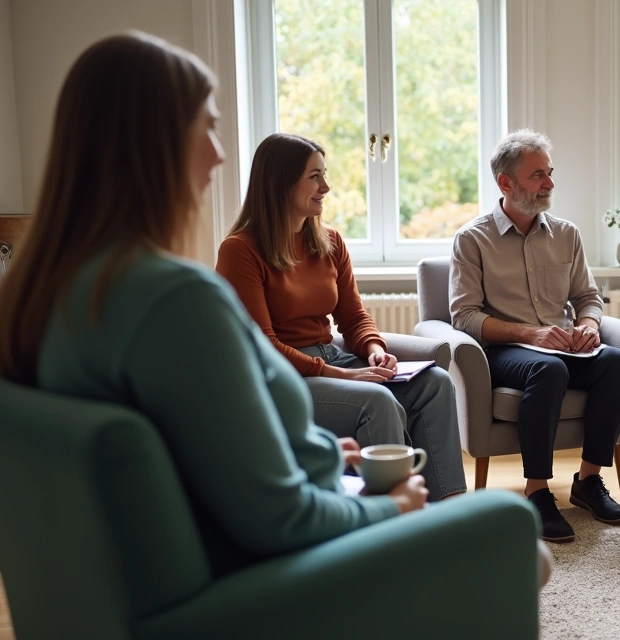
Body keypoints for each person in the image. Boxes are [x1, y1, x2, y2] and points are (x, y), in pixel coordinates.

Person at [0, 33, 432, 572]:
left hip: (159, 577)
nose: (220, 153)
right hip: (237, 590)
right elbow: (281, 520)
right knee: (512, 543)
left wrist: (313, 459)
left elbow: (195, 454)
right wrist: (390, 509)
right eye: (206, 126)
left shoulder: (42, 293)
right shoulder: (177, 298)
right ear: (149, 142)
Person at [216, 133, 466, 501]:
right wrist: (345, 374)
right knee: (377, 401)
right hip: (282, 377)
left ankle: (445, 510)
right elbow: (263, 347)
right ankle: (390, 523)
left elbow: (353, 317)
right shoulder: (240, 250)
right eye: (314, 177)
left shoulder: (329, 241)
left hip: (330, 359)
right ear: (280, 182)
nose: (326, 187)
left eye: (324, 174)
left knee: (436, 384)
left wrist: (374, 349)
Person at [450, 129, 620, 543]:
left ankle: (589, 481)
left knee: (617, 363)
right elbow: (464, 317)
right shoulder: (472, 239)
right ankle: (536, 492)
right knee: (548, 370)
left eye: (549, 173)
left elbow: (588, 297)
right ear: (506, 183)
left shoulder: (567, 234)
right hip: (505, 352)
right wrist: (531, 334)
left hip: (563, 346)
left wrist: (588, 327)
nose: (549, 183)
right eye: (537, 176)